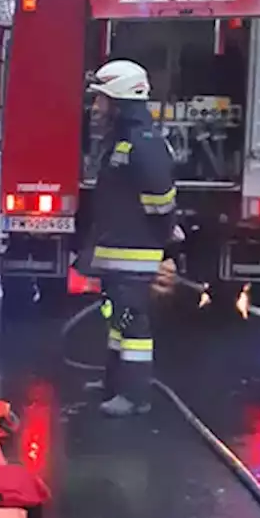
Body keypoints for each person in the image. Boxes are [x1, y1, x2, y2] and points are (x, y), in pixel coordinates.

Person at [79, 59, 176, 417]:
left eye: (101, 100)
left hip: (135, 252)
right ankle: (115, 382)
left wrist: (162, 243)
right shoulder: (122, 140)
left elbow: (161, 198)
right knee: (117, 319)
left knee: (133, 323)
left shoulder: (142, 142)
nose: (95, 107)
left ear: (120, 100)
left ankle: (135, 396)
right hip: (119, 250)